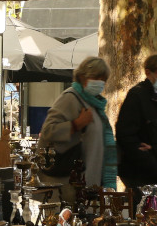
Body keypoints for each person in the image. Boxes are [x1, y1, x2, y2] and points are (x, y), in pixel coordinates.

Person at [37, 56, 118, 196]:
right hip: (68, 186)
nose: (100, 83)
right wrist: (77, 124)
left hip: (88, 185)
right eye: (95, 77)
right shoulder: (70, 98)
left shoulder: (95, 105)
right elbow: (48, 131)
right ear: (81, 77)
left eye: (103, 79)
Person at [115, 52, 157, 205]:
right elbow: (126, 134)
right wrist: (149, 158)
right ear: (148, 72)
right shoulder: (138, 96)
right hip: (141, 172)